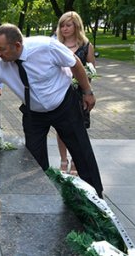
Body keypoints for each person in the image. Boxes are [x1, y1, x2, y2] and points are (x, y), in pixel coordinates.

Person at [0, 23, 103, 197]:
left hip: (64, 105)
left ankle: (96, 198)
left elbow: (75, 63)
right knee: (33, 160)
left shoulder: (46, 46)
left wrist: (87, 91)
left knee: (81, 151)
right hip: (34, 114)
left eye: (1, 49)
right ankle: (43, 197)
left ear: (17, 45)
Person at [55, 11, 97, 175]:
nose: (64, 29)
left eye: (68, 25)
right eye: (62, 25)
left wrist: (87, 92)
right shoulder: (56, 44)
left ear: (76, 26)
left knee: (78, 128)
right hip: (59, 92)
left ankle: (75, 160)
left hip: (79, 93)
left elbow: (91, 71)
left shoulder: (86, 46)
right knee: (61, 128)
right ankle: (63, 160)